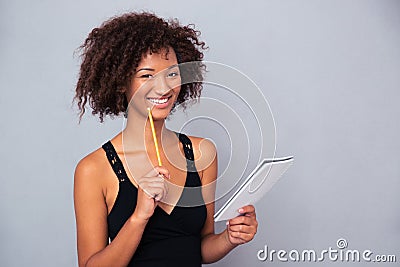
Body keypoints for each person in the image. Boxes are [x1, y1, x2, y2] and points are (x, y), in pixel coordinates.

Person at [73, 12, 258, 267]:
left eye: (172, 74)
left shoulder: (202, 153)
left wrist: (230, 237)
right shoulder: (93, 169)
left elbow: (200, 248)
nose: (163, 88)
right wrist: (139, 217)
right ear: (120, 83)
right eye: (147, 76)